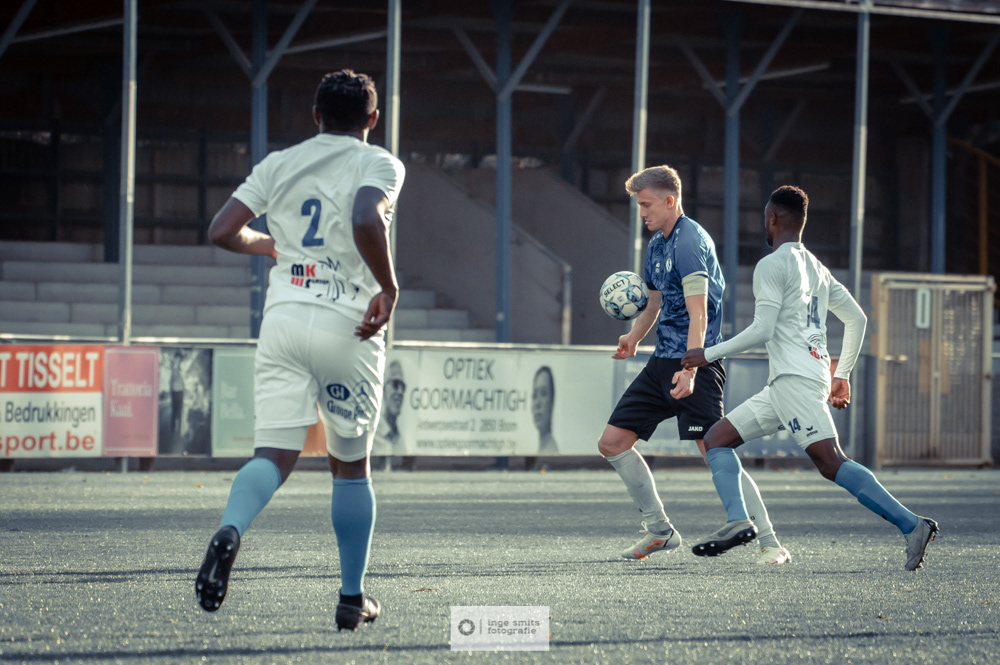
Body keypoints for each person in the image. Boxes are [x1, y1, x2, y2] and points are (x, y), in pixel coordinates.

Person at [194, 69, 406, 630]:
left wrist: (273, 245)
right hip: (348, 324)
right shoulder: (380, 163)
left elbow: (221, 230)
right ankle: (351, 597)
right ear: (373, 119)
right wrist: (388, 288)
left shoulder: (279, 164)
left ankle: (231, 529)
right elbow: (365, 216)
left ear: (316, 116)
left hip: (284, 321)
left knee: (273, 454)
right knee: (351, 465)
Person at [681, 185, 938, 571]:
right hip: (792, 381)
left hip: (795, 379)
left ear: (772, 218)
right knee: (717, 439)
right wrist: (842, 374)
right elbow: (857, 319)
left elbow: (763, 329)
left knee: (831, 462)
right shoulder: (817, 268)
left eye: (765, 218)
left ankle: (912, 525)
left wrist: (707, 353)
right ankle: (738, 520)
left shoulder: (771, 265)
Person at [599, 165, 789, 565]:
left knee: (715, 451)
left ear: (670, 201)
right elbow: (654, 302)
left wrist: (691, 369)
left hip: (697, 363)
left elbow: (698, 313)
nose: (642, 213)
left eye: (647, 205)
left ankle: (771, 543)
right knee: (612, 443)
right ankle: (660, 532)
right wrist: (634, 337)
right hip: (662, 363)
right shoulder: (656, 244)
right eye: (639, 206)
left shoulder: (690, 242)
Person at [372, 360, 409, 469]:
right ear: (383, 390)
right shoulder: (371, 432)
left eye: (403, 387)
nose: (400, 392)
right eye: (395, 384)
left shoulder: (401, 442)